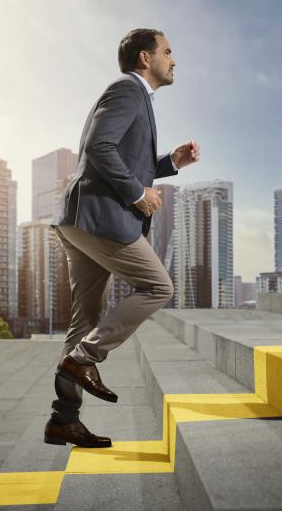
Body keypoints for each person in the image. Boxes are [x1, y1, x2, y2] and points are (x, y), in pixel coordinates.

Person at [44, 28, 201, 448]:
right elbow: (99, 146)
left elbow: (125, 156)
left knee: (85, 320)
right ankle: (84, 360)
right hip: (100, 217)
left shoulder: (135, 97)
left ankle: (64, 420)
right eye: (168, 51)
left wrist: (170, 163)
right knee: (158, 286)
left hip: (81, 219)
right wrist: (137, 193)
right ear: (145, 58)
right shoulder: (128, 89)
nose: (173, 59)